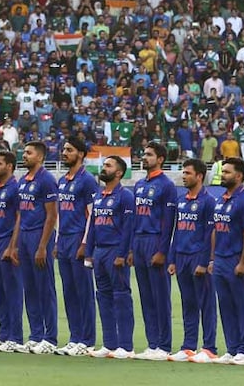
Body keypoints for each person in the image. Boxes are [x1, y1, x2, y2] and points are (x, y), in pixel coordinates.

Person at [167, 158, 218, 363]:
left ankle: (209, 347)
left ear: (199, 176)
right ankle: (188, 346)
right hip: (181, 256)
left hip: (198, 256)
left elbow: (209, 234)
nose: (183, 176)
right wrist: (172, 258)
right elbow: (176, 231)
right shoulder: (181, 200)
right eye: (183, 172)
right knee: (188, 303)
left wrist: (205, 262)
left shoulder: (208, 201)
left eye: (188, 173)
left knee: (206, 303)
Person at [86, 155, 136, 359]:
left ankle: (126, 346)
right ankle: (109, 344)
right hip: (99, 250)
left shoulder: (125, 196)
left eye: (108, 165)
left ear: (119, 172)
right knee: (103, 296)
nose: (103, 168)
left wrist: (122, 254)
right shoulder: (98, 195)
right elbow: (93, 226)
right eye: (103, 164)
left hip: (115, 250)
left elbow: (128, 227)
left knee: (121, 296)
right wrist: (89, 253)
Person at [132, 142, 177, 360]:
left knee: (160, 296)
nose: (144, 157)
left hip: (155, 242)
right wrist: (132, 247)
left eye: (149, 154)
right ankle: (152, 344)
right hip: (139, 241)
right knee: (146, 296)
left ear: (160, 159)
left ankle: (164, 345)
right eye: (144, 153)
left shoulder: (166, 185)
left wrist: (162, 250)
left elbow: (169, 222)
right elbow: (134, 218)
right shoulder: (139, 184)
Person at [210, 157, 244, 366]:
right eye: (223, 171)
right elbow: (215, 230)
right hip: (220, 259)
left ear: (238, 176)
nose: (223, 175)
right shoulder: (221, 198)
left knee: (243, 305)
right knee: (225, 305)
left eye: (227, 172)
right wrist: (212, 258)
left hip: (236, 259)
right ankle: (232, 348)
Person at [55, 140, 98, 356]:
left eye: (69, 150)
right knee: (69, 291)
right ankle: (74, 337)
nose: (64, 153)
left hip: (78, 239)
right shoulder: (62, 180)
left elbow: (92, 214)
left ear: (80, 154)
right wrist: (56, 240)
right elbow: (59, 213)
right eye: (64, 150)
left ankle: (87, 341)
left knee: (83, 291)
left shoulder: (87, 180)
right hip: (63, 239)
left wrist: (85, 243)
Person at [17, 140, 59, 354]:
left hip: (39, 235)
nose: (24, 155)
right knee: (30, 288)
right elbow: (20, 214)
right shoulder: (23, 180)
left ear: (40, 157)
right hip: (24, 236)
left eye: (29, 153)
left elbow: (51, 215)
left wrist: (43, 246)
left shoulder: (47, 180)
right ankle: (35, 335)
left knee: (45, 288)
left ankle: (50, 338)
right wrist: (15, 244)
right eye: (24, 152)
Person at [0, 150, 24, 352]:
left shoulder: (15, 188)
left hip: (8, 242)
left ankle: (16, 337)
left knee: (13, 292)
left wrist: (12, 246)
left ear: (9, 166)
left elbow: (19, 217)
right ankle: (3, 334)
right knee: (0, 292)